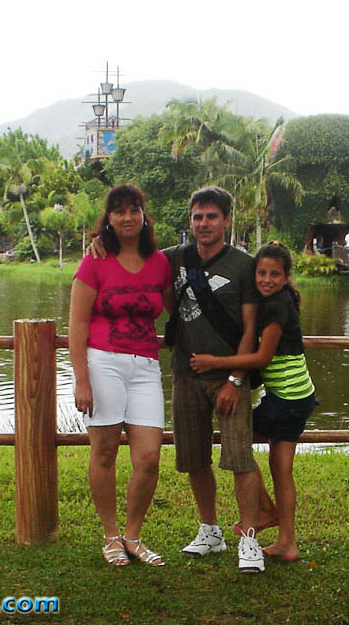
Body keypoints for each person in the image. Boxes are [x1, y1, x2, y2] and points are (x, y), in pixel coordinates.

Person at [89, 186, 266, 571]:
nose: (204, 224)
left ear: (227, 220)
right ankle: (210, 529)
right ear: (190, 221)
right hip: (185, 373)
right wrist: (97, 242)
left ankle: (250, 539)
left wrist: (237, 378)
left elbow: (251, 328)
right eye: (198, 217)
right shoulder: (172, 258)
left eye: (212, 217)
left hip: (229, 379)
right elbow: (130, 246)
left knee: (240, 458)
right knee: (194, 458)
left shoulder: (243, 264)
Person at [190, 242, 317, 563]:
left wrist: (213, 362)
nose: (267, 279)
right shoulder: (280, 300)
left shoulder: (275, 307)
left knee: (240, 441)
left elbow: (262, 356)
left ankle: (264, 513)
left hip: (287, 400)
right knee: (281, 470)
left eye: (275, 274)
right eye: (261, 272)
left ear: (287, 277)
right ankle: (286, 540)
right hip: (298, 396)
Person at [69, 184, 173, 566]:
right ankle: (111, 536)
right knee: (105, 452)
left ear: (144, 215)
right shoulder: (93, 262)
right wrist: (82, 379)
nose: (127, 217)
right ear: (108, 219)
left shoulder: (161, 262)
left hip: (145, 366)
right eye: (119, 211)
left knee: (148, 457)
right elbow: (77, 325)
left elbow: (172, 303)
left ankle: (133, 536)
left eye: (134, 210)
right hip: (103, 364)